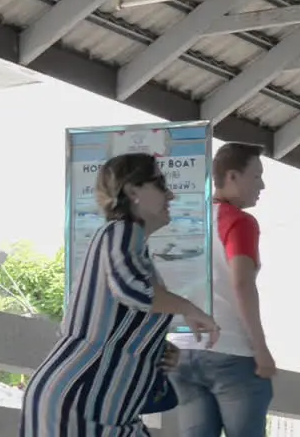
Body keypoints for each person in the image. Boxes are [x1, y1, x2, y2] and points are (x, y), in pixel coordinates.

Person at [20, 153, 220, 437]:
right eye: (161, 184)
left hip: (96, 404)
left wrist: (156, 349)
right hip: (83, 401)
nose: (171, 194)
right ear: (132, 190)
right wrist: (189, 308)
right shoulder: (123, 230)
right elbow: (131, 290)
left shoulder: (132, 248)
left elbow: (120, 315)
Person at [169, 143, 274, 437]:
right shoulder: (239, 222)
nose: (262, 185)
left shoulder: (183, 222)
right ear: (232, 177)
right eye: (256, 176)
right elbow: (242, 283)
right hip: (230, 351)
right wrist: (261, 348)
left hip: (182, 350)